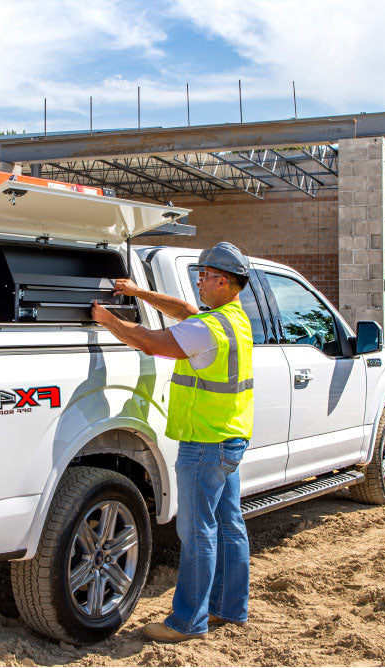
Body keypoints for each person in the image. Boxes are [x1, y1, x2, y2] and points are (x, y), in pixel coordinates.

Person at [91, 242, 254, 643]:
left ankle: (187, 622)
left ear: (223, 281)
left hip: (204, 442)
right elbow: (183, 310)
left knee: (198, 534)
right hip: (230, 438)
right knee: (228, 525)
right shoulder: (233, 318)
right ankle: (230, 608)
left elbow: (150, 342)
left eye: (205, 275)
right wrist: (138, 292)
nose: (199, 281)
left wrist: (107, 319)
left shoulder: (208, 328)